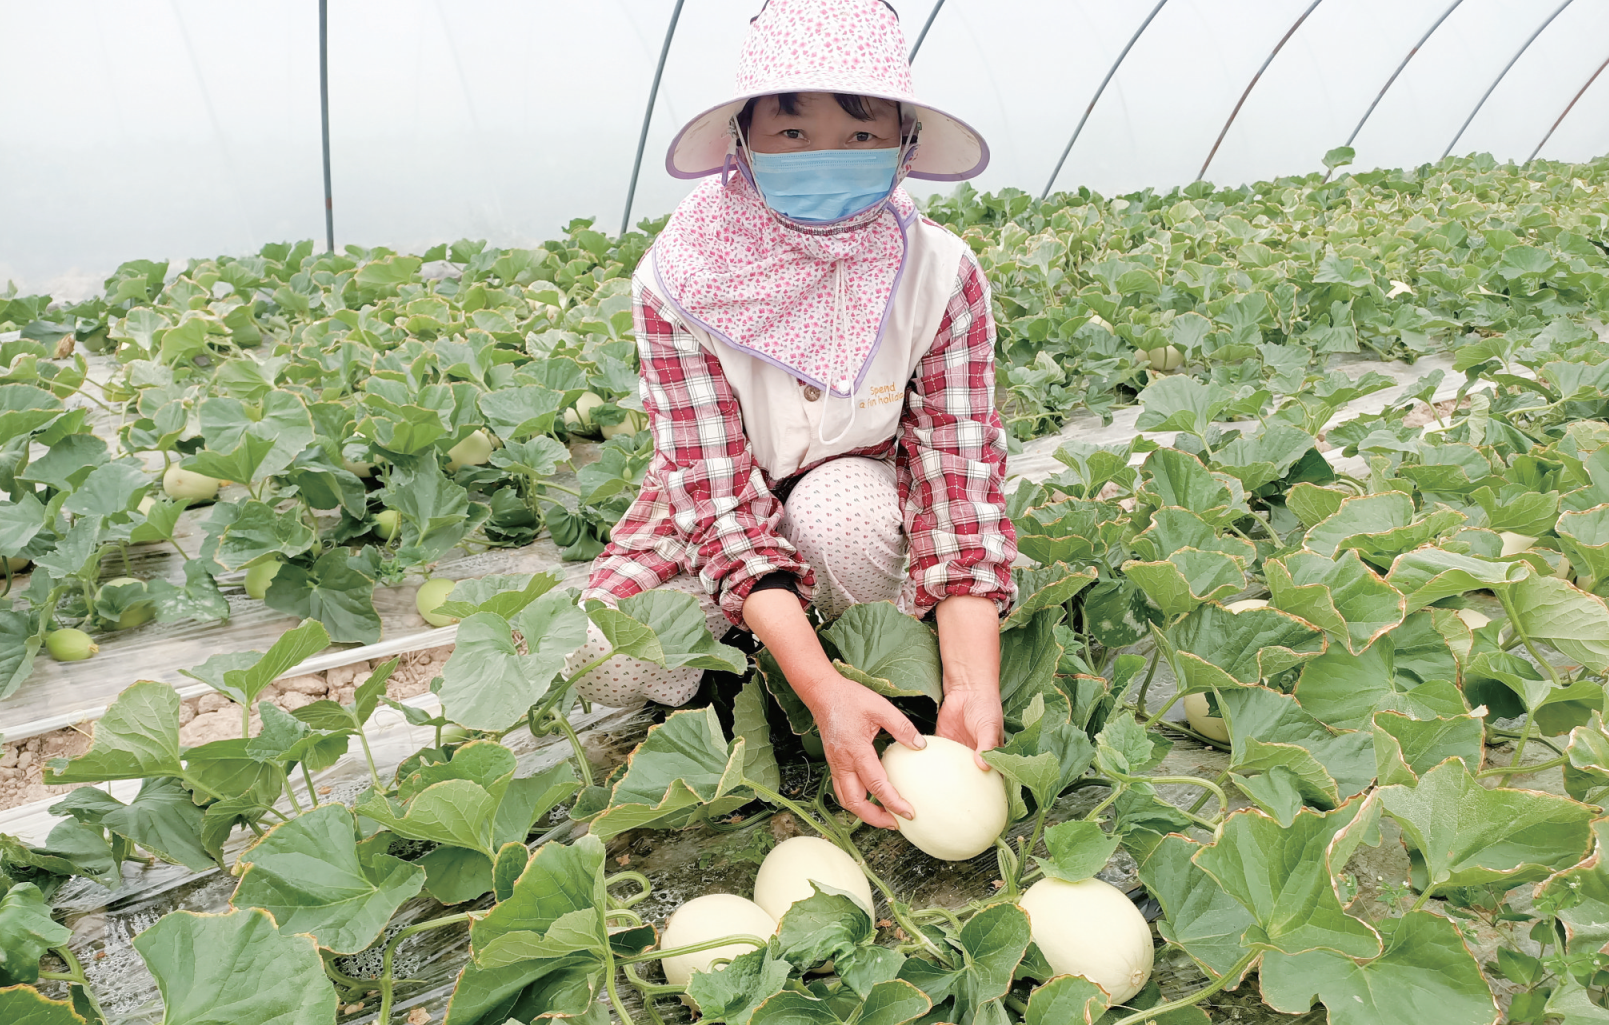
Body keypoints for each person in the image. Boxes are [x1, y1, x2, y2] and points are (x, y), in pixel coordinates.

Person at [567, 0, 1017, 831]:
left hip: (861, 504)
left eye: (859, 135)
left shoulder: (942, 271)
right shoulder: (675, 280)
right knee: (606, 660)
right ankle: (761, 679)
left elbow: (958, 486)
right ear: (741, 139)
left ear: (906, 143)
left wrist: (971, 683)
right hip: (716, 525)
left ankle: (874, 670)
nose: (826, 157)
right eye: (792, 133)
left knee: (837, 509)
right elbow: (721, 509)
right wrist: (814, 688)